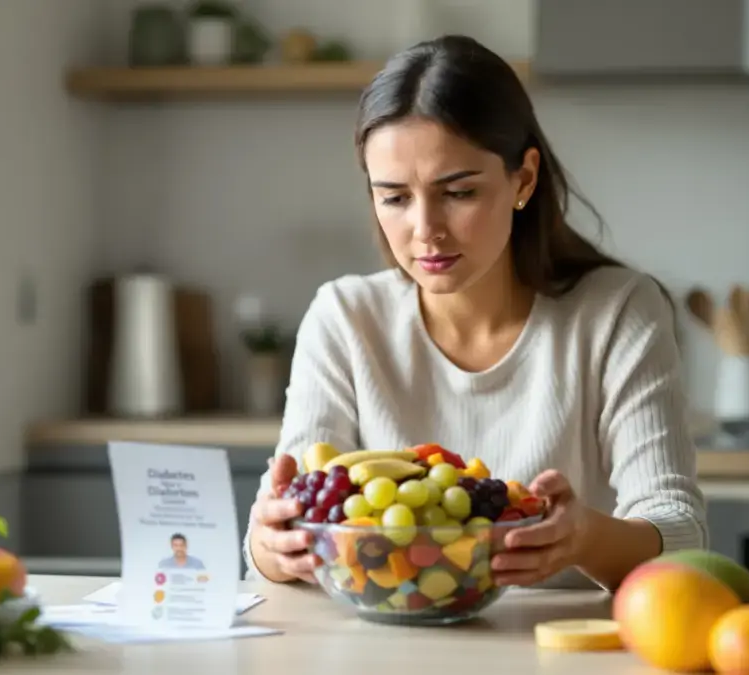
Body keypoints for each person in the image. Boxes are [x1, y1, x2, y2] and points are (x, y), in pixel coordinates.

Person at [243, 35, 707, 592]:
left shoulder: (617, 312)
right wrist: (272, 546)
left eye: (458, 192)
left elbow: (680, 535)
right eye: (394, 198)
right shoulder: (345, 317)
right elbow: (281, 538)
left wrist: (583, 538)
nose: (425, 230)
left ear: (524, 179)